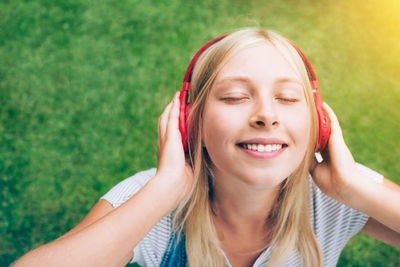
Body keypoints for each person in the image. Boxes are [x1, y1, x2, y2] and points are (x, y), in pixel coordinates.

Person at [14, 28, 400, 267]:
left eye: (287, 98)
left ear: (319, 124)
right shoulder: (151, 199)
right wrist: (163, 192)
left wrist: (354, 189)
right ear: (189, 121)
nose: (266, 115)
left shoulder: (338, 194)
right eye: (234, 97)